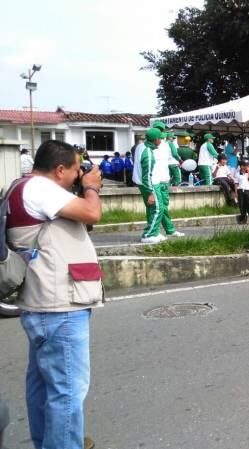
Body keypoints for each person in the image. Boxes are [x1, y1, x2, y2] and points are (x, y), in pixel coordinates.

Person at [6, 140, 102, 449]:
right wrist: (92, 188)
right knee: (67, 391)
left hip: (44, 303)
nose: (78, 175)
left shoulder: (24, 188)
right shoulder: (40, 189)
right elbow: (91, 212)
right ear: (59, 169)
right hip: (58, 306)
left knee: (44, 386)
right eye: (75, 170)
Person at [136, 128, 184, 243]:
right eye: (160, 138)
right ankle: (148, 234)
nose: (162, 140)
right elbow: (146, 175)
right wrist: (151, 192)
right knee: (157, 209)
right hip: (151, 184)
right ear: (156, 139)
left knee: (158, 208)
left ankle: (154, 233)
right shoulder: (148, 153)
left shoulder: (145, 148)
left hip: (151, 183)